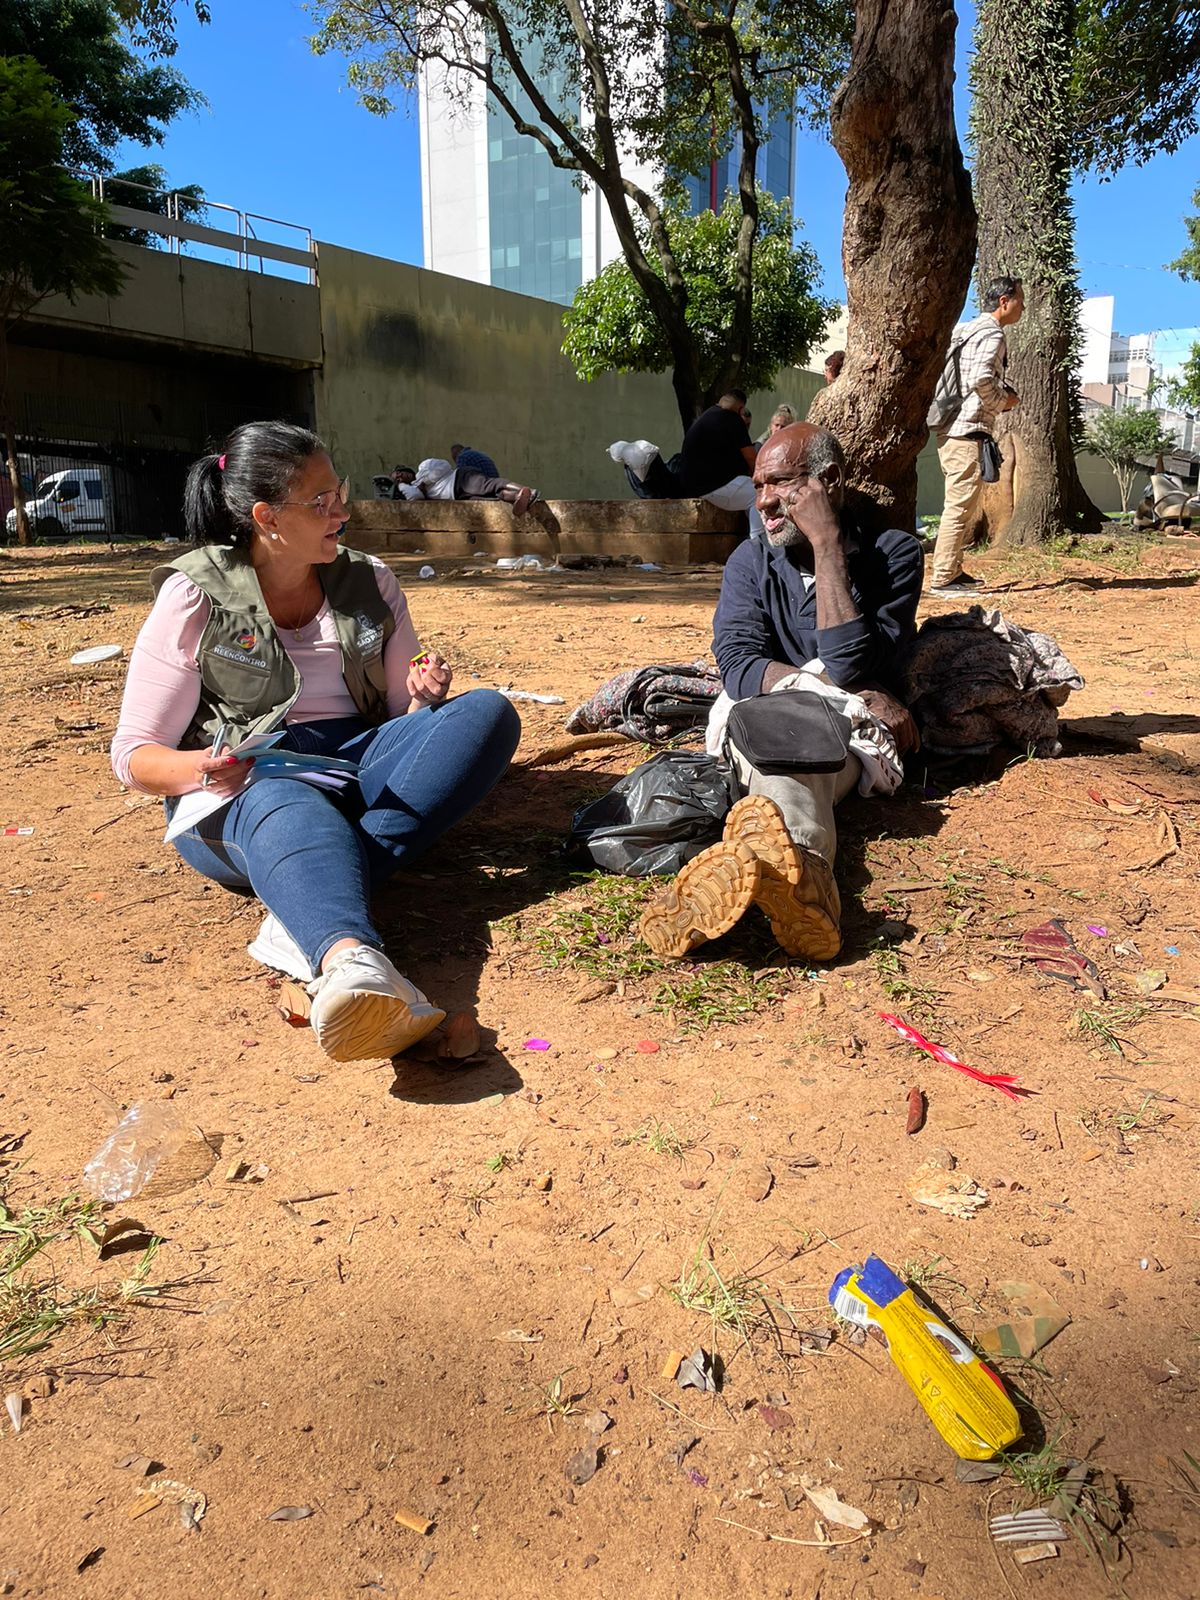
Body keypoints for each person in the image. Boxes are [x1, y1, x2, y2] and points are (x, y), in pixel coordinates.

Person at [110, 421, 522, 1064]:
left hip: (350, 763)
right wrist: (205, 767)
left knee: (488, 714)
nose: (341, 511)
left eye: (341, 492)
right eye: (321, 501)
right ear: (266, 517)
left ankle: (302, 899)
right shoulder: (194, 595)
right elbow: (135, 754)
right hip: (243, 786)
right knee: (286, 801)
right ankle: (348, 960)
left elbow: (397, 718)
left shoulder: (372, 581)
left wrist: (423, 700)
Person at [638, 421, 923, 964]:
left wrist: (826, 546)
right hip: (763, 720)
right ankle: (803, 874)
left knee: (802, 751)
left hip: (840, 733)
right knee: (782, 736)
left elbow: (850, 659)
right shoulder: (749, 562)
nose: (762, 501)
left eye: (779, 485)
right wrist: (824, 685)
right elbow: (742, 669)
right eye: (757, 484)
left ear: (829, 481)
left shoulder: (894, 555)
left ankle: (747, 870)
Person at [928, 276, 1024, 597]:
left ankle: (953, 569)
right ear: (1004, 301)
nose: (1022, 306)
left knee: (962, 504)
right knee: (959, 505)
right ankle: (942, 577)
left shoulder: (964, 330)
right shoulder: (993, 335)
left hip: (950, 427)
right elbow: (982, 377)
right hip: (966, 430)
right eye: (1020, 300)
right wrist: (1003, 401)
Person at [679, 390, 765, 539]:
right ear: (740, 409)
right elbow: (751, 458)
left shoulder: (706, 416)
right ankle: (759, 546)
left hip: (693, 485)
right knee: (760, 495)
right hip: (714, 486)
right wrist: (763, 482)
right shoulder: (733, 419)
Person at [415, 455, 537, 516]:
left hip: (460, 479)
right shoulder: (415, 487)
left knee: (490, 485)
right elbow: (413, 496)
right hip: (459, 495)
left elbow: (444, 466)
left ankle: (528, 491)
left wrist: (424, 481)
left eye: (403, 474)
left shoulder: (426, 468)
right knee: (493, 496)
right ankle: (517, 497)